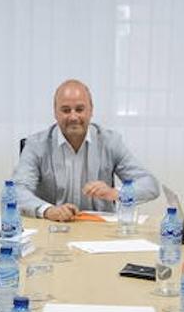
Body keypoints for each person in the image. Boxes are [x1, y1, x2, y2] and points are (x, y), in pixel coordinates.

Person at [12, 79, 159, 221]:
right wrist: (48, 210)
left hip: (99, 230)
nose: (73, 116)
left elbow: (150, 185)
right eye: (66, 110)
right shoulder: (36, 145)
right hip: (53, 227)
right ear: (55, 112)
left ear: (91, 111)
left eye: (79, 109)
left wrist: (115, 193)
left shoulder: (110, 142)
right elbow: (16, 190)